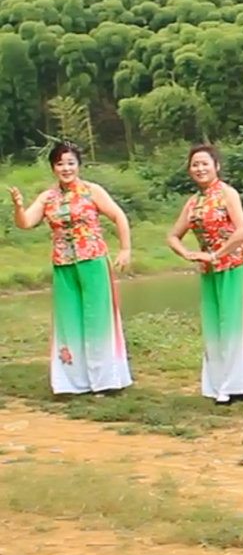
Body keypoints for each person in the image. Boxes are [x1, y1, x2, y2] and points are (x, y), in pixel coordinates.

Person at [8, 141, 134, 396]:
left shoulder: (91, 190)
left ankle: (105, 380)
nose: (66, 168)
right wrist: (19, 206)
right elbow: (26, 223)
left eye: (70, 163)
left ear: (78, 165)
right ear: (53, 168)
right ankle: (74, 381)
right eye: (60, 164)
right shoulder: (48, 197)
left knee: (98, 317)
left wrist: (125, 249)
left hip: (93, 259)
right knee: (69, 320)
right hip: (63, 264)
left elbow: (118, 216)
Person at [165, 144, 243, 405]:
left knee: (234, 324)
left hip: (234, 265)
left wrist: (217, 254)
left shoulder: (227, 193)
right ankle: (219, 384)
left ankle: (237, 386)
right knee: (214, 325)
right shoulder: (193, 202)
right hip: (209, 270)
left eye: (205, 163)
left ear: (216, 166)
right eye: (195, 165)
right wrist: (188, 254)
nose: (200, 169)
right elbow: (173, 236)